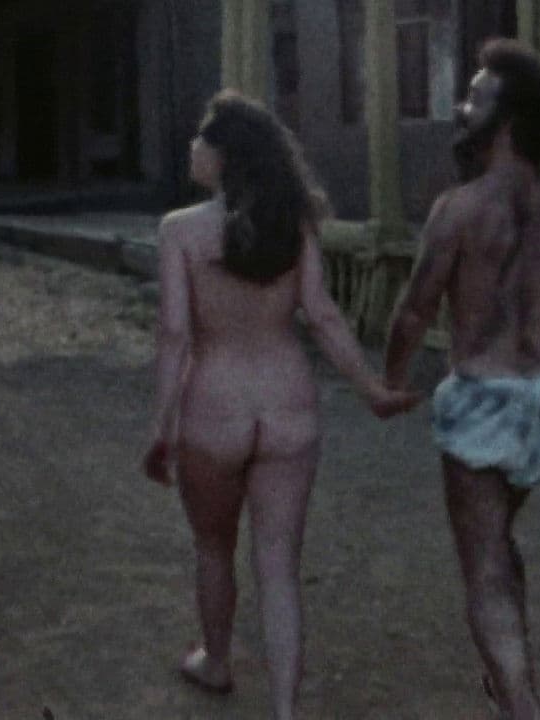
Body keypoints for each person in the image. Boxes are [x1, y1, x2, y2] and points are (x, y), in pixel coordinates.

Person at [140, 89, 418, 719]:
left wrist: (161, 425)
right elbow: (321, 314)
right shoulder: (295, 224)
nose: (192, 147)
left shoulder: (180, 230)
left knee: (214, 548)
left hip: (214, 411)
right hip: (288, 408)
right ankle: (286, 711)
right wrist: (371, 389)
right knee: (279, 569)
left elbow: (175, 333)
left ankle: (215, 662)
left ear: (223, 154)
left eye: (200, 138)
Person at [383, 39, 540, 720]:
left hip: (482, 403)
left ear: (509, 120)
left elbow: (414, 310)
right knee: (498, 541)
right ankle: (512, 684)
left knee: (483, 568)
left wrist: (391, 381)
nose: (462, 109)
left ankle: (522, 706)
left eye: (476, 98)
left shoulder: (458, 209)